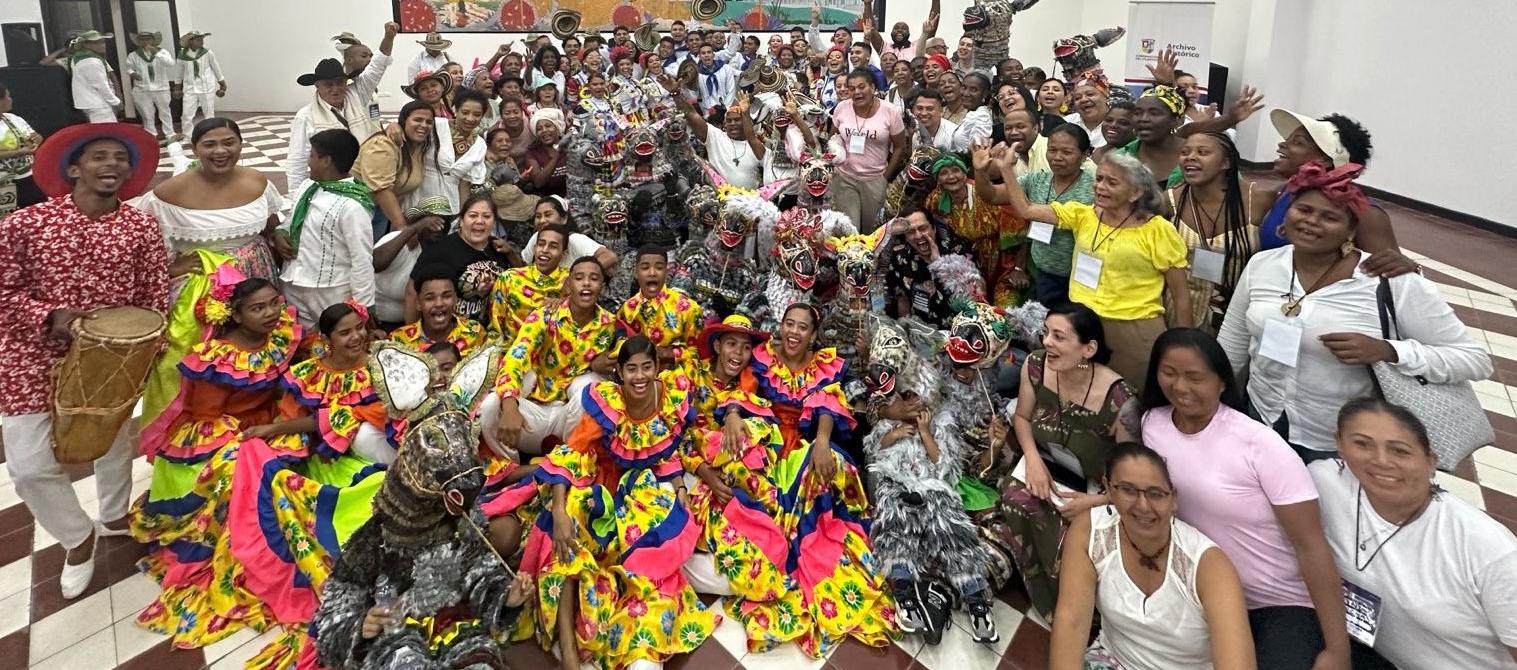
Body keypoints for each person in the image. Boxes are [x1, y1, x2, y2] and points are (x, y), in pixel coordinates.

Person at [1216, 163, 1491, 461]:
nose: (1312, 222)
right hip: (1263, 417)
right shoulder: (1262, 265)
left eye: (1330, 217)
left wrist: (1387, 350)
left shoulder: (1388, 281)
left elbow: (1474, 360)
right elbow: (1232, 343)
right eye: (1304, 210)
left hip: (1342, 440)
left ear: (1351, 230)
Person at [0, 123, 168, 599]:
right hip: (30, 357)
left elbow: (153, 290)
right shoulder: (24, 225)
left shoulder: (139, 225)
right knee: (30, 466)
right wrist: (49, 315)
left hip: (109, 359)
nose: (112, 165)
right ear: (73, 168)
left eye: (120, 158)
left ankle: (114, 515)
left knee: (111, 443)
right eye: (99, 157)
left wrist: (146, 345)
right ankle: (77, 537)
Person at [1141, 329, 1352, 669]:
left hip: (1276, 601)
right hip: (1198, 588)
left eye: (1195, 377)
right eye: (1169, 373)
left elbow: (1311, 546)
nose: (1180, 387)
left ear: (1222, 382)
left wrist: (1337, 649)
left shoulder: (1260, 445)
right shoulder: (1152, 424)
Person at [518, 335, 715, 670]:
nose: (639, 376)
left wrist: (679, 484)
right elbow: (574, 452)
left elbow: (662, 453)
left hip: (637, 488)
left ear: (655, 369)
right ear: (620, 373)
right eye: (632, 369)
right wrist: (562, 511)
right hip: (593, 477)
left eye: (646, 368)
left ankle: (623, 611)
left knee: (647, 544)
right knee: (567, 534)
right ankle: (568, 645)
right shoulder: (607, 404)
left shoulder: (666, 398)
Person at [227, 302, 399, 663]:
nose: (356, 338)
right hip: (324, 463)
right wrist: (274, 431)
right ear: (326, 339)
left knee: (378, 495)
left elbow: (387, 416)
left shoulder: (380, 365)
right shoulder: (307, 374)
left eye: (359, 329)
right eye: (345, 332)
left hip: (367, 455)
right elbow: (300, 423)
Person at [131, 277, 298, 646]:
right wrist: (255, 441)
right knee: (246, 480)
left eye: (274, 303)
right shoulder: (218, 357)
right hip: (219, 436)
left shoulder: (280, 334)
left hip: (266, 423)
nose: (271, 313)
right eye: (258, 308)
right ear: (235, 315)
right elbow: (206, 418)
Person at [1312, 398, 1517, 670]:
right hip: (1372, 656)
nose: (1381, 461)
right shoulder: (1323, 483)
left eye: (1400, 451)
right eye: (1362, 444)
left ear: (1430, 460)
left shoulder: (1488, 548)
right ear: (1339, 444)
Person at [746, 302, 892, 656]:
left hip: (811, 441)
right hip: (771, 444)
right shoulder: (763, 358)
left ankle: (824, 545)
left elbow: (829, 403)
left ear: (813, 336)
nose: (793, 333)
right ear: (780, 326)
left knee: (831, 469)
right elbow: (744, 396)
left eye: (802, 328)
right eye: (788, 325)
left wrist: (823, 442)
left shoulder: (824, 365)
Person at [977, 145, 1192, 385]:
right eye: (1099, 179)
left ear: (1135, 193)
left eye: (1112, 182)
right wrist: (1006, 169)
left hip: (1132, 329)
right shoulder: (1084, 215)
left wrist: (1184, 344)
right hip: (1081, 323)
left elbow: (1180, 294)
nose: (1100, 186)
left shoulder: (1158, 230)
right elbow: (1026, 210)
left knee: (1128, 395)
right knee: (1079, 389)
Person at [983, 304, 1136, 619]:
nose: (1047, 342)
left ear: (1089, 348)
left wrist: (1095, 501)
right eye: (1045, 333)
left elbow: (1132, 478)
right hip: (1046, 469)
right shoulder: (1036, 367)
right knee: (1014, 497)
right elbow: (1023, 418)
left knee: (1071, 541)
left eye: (1059, 336)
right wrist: (1033, 459)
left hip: (1093, 491)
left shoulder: (1121, 401)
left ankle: (1072, 614)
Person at [1049, 442, 1256, 670]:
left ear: (1173, 499)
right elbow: (1072, 621)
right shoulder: (1091, 531)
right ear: (1109, 489)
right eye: (1128, 490)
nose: (1143, 506)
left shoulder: (1209, 567)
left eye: (1156, 494)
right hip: (1113, 660)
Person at [134, 118, 285, 423]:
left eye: (229, 142)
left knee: (255, 348)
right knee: (195, 357)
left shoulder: (257, 181)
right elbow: (143, 243)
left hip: (254, 276)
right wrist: (171, 266)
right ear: (195, 149)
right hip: (199, 288)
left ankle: (254, 419)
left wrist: (278, 235)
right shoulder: (168, 193)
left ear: (241, 144)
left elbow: (271, 221)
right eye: (210, 144)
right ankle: (195, 426)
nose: (221, 151)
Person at [488, 256, 618, 456]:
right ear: (568, 283)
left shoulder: (610, 324)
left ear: (601, 286)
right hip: (531, 414)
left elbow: (631, 355)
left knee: (595, 388)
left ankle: (569, 461)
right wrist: (510, 404)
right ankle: (512, 468)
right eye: (579, 278)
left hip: (569, 417)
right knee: (491, 405)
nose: (586, 283)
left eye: (594, 278)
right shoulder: (545, 315)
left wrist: (601, 364)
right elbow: (516, 356)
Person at [1166, 132, 1273, 333]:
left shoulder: (1258, 200)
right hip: (1178, 311)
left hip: (1235, 314)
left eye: (1203, 152)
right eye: (1185, 152)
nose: (1190, 157)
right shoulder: (1170, 201)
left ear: (1226, 163)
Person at [1262, 109, 1400, 255]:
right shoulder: (1284, 193)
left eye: (1298, 142)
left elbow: (1393, 272)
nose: (1281, 144)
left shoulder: (1364, 212)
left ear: (1326, 160)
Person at [276, 128, 377, 328]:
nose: (308, 161)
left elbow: (362, 259)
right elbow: (290, 221)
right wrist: (279, 233)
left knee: (332, 345)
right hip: (293, 284)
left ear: (326, 161)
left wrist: (364, 307)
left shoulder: (352, 206)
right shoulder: (308, 187)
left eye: (312, 155)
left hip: (330, 292)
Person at [286, 22, 399, 195]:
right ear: (317, 86)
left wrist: (388, 37)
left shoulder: (357, 93)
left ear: (347, 82)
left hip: (368, 178)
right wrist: (297, 198)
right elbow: (297, 160)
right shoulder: (306, 116)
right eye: (328, 84)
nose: (335, 89)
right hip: (331, 188)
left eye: (339, 82)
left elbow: (378, 64)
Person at [927, 153, 1028, 305]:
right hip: (968, 267)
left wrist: (1019, 269)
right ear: (937, 179)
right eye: (943, 173)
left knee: (1005, 311)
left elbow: (1023, 232)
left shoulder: (985, 195)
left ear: (965, 171)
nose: (951, 177)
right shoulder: (936, 200)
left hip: (1004, 266)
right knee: (972, 309)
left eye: (955, 170)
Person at [1019, 123, 1095, 307]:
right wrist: (982, 169)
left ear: (1085, 155)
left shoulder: (1095, 188)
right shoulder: (1037, 179)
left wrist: (1005, 169)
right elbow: (993, 194)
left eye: (1067, 152)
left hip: (1080, 278)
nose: (1057, 157)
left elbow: (1026, 210)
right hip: (1043, 273)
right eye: (1052, 150)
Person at [410, 194, 511, 323]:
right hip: (450, 334)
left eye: (486, 216)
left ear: (494, 222)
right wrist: (414, 336)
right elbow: (412, 294)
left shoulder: (500, 248)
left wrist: (511, 254)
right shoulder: (438, 251)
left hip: (490, 333)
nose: (480, 221)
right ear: (461, 221)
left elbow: (521, 280)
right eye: (473, 215)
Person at [830, 68, 907, 232]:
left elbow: (900, 146)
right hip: (844, 178)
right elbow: (833, 138)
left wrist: (885, 178)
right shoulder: (842, 108)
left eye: (861, 87)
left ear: (872, 87)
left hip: (874, 179)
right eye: (852, 89)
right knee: (850, 231)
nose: (857, 92)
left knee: (871, 230)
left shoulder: (890, 112)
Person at [353, 100, 435, 239]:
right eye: (418, 120)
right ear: (404, 120)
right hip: (359, 212)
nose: (424, 125)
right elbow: (381, 190)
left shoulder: (418, 145)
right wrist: (403, 230)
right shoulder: (384, 144)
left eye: (429, 122)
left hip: (383, 212)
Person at [615, 245, 704, 366]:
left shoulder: (688, 308)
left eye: (659, 267)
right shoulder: (627, 308)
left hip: (677, 377)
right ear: (635, 273)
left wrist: (668, 354)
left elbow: (700, 353)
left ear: (666, 272)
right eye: (645, 268)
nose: (652, 273)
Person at [882, 209, 973, 328]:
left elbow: (973, 298)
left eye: (923, 228)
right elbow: (902, 301)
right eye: (911, 232)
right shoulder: (901, 258)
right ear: (905, 236)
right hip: (923, 334)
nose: (918, 236)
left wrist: (938, 263)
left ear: (933, 228)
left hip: (959, 331)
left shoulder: (958, 251)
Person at [372, 197, 447, 328]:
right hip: (376, 321)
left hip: (409, 325)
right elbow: (375, 263)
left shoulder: (436, 252)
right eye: (433, 223)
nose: (439, 228)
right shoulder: (398, 240)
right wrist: (413, 229)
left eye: (444, 223)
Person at [489, 223, 569, 339]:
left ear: (564, 253)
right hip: (510, 350)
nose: (545, 250)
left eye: (553, 246)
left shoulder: (571, 281)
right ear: (535, 248)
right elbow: (496, 327)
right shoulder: (509, 278)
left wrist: (564, 302)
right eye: (541, 244)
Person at [391, 267, 488, 356]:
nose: (439, 304)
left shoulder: (475, 332)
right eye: (430, 298)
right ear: (418, 303)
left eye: (446, 296)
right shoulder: (398, 341)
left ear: (456, 299)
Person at [0, 82, 44, 211]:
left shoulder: (13, 118)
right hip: (4, 182)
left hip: (28, 176)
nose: (10, 100)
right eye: (7, 97)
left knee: (36, 212)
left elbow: (35, 136)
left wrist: (37, 139)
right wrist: (19, 152)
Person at [125, 31, 176, 140]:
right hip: (143, 89)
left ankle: (170, 134)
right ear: (139, 42)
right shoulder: (133, 55)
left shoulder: (162, 52)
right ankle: (151, 135)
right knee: (147, 113)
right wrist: (132, 74)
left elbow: (170, 63)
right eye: (142, 40)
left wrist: (156, 53)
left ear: (153, 40)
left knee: (165, 112)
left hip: (161, 88)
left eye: (148, 39)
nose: (145, 42)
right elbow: (129, 68)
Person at [175, 31, 226, 134]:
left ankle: (210, 134)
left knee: (209, 113)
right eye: (198, 40)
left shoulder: (207, 53)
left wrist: (222, 84)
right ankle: (187, 136)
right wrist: (177, 88)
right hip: (190, 88)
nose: (201, 41)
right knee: (186, 114)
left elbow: (216, 68)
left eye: (202, 39)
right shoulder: (182, 55)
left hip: (207, 87)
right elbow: (178, 73)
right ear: (190, 41)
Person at [66, 30, 121, 123]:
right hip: (98, 103)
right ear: (86, 45)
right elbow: (101, 85)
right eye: (96, 43)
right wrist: (115, 101)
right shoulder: (91, 61)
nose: (102, 45)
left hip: (91, 102)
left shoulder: (80, 57)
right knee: (107, 131)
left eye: (102, 42)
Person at [523, 105, 567, 196]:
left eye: (548, 126)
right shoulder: (532, 153)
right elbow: (538, 183)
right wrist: (557, 154)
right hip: (547, 200)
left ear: (557, 128)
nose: (544, 130)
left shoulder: (570, 145)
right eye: (539, 129)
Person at [1064, 80, 1108, 149]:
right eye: (1077, 98)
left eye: (1090, 94)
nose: (1083, 100)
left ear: (1106, 97)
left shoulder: (1118, 123)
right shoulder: (1066, 123)